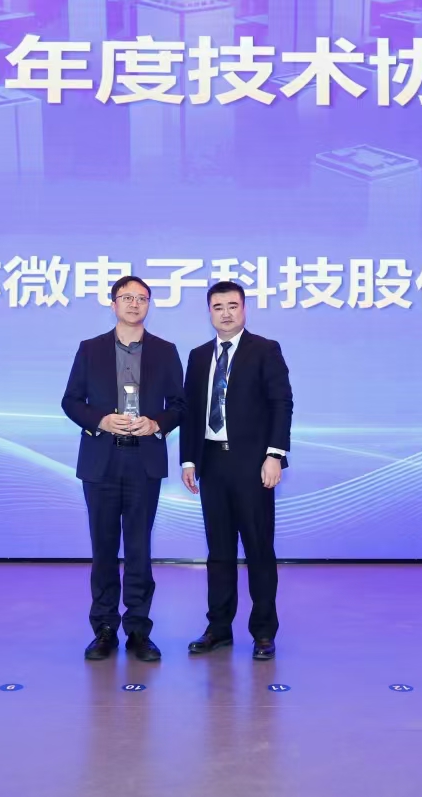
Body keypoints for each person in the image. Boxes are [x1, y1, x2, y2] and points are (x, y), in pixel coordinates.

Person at [62, 276, 185, 662]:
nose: (134, 304)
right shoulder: (90, 349)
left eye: (142, 298)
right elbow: (71, 401)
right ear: (112, 303)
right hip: (101, 459)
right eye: (126, 297)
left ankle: (138, 630)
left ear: (149, 304)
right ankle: (103, 629)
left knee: (138, 548)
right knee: (103, 548)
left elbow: (180, 405)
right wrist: (100, 420)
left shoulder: (165, 351)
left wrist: (156, 423)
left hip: (143, 461)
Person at [180, 281, 293, 660]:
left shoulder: (265, 349)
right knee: (219, 552)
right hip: (212, 462)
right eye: (218, 307)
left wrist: (274, 455)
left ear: (244, 309)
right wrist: (189, 460)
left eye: (232, 305)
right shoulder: (198, 356)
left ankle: (263, 633)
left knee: (259, 549)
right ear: (209, 312)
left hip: (253, 464)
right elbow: (191, 411)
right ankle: (218, 628)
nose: (225, 313)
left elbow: (281, 403)